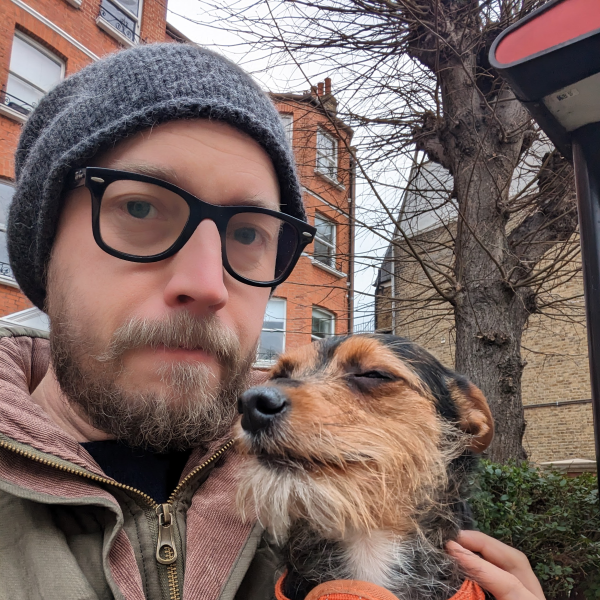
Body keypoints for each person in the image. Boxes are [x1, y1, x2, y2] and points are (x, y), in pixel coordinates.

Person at [0, 42, 543, 600]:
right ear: (43, 249)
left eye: (247, 234)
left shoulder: (327, 490)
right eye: (139, 208)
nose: (208, 285)